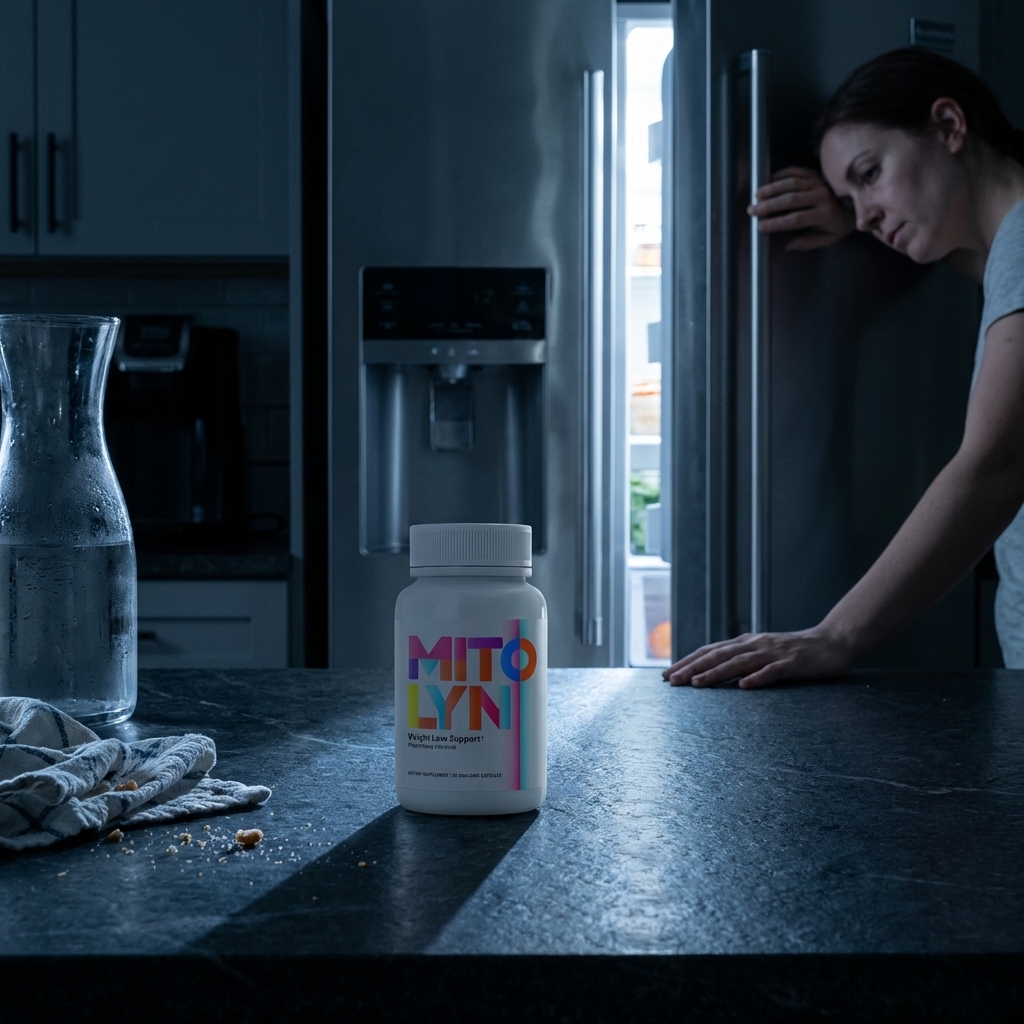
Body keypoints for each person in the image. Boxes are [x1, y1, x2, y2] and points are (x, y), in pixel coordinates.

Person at [664, 47, 1024, 688]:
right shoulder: (1003, 255)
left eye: (869, 174)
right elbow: (965, 252)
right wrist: (854, 224)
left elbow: (995, 465)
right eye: (847, 198)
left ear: (948, 127)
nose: (864, 214)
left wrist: (835, 637)